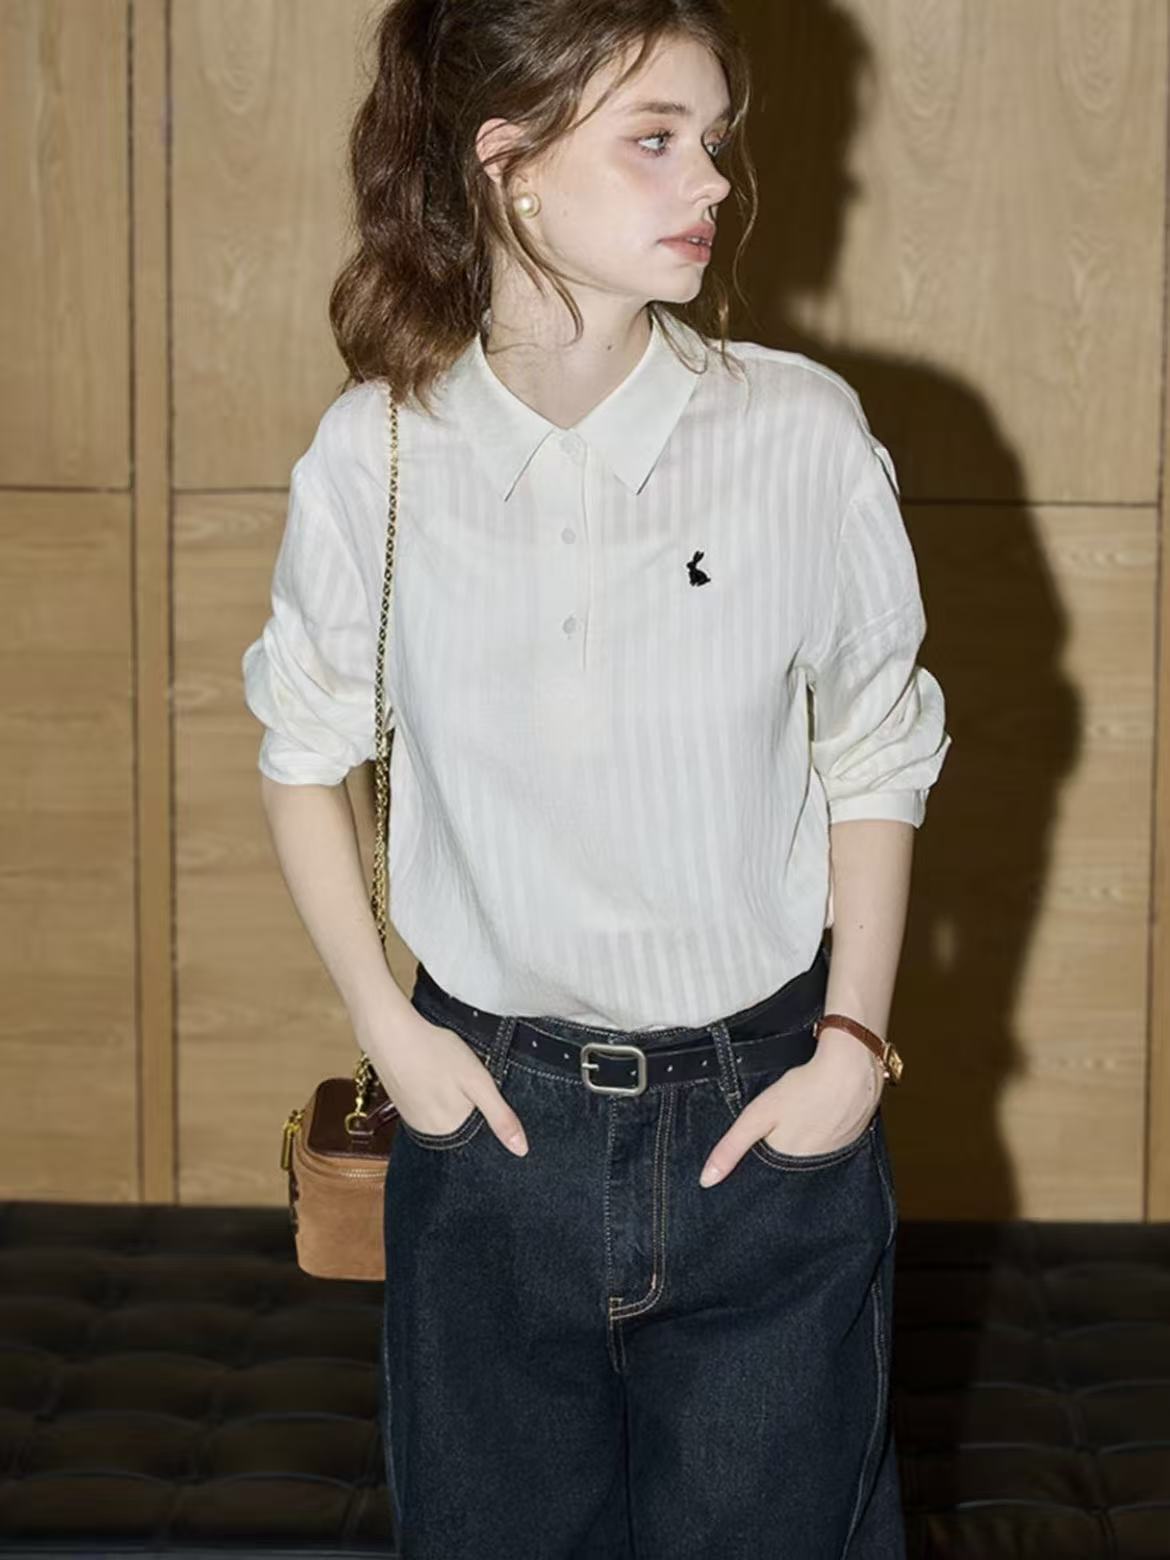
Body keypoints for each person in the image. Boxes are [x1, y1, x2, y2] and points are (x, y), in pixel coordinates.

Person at [241, 0, 952, 1554]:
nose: (711, 181)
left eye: (714, 141)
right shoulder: (377, 452)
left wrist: (850, 1046)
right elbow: (301, 754)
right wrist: (388, 1030)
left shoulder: (799, 433)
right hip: (488, 1131)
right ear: (507, 165)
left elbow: (875, 747)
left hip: (768, 1126)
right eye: (654, 140)